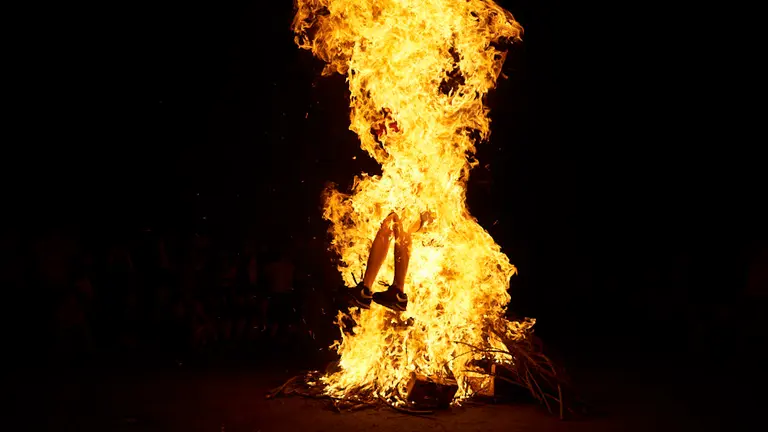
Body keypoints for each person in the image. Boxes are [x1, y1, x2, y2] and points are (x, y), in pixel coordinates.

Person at [346, 210, 433, 311]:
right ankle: (364, 290)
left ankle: (398, 292)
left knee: (404, 219)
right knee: (389, 223)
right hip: (415, 210)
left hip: (435, 214)